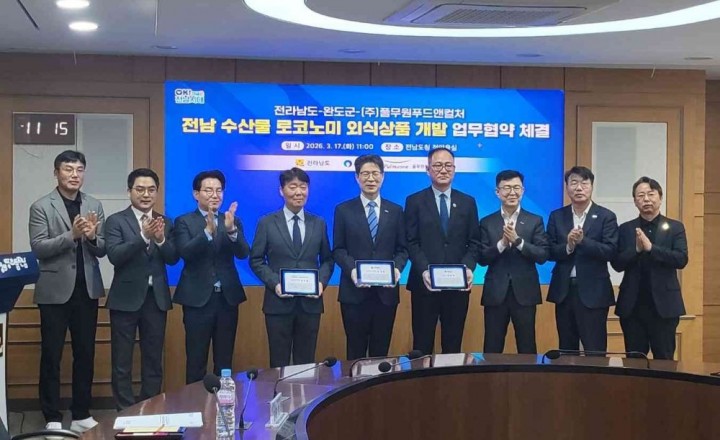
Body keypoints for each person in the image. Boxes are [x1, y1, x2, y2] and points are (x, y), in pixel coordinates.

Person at [28, 150, 105, 433]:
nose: (74, 175)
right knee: (52, 355)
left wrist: (93, 236)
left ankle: (81, 412)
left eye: (79, 170)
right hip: (54, 292)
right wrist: (72, 235)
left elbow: (102, 249)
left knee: (85, 354)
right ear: (56, 173)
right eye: (68, 169)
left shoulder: (94, 204)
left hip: (87, 290)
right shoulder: (41, 206)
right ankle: (51, 415)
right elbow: (39, 248)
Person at [105, 168, 179, 410]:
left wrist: (160, 239)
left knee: (153, 358)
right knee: (122, 360)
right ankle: (125, 410)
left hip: (156, 299)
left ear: (157, 192)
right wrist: (143, 237)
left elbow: (173, 258)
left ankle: (150, 406)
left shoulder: (165, 222)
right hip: (124, 299)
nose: (146, 194)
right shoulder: (116, 221)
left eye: (151, 190)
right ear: (129, 191)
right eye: (140, 189)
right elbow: (115, 255)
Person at [250, 167, 334, 368]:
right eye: (293, 186)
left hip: (310, 305)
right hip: (278, 304)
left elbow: (328, 260)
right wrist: (275, 283)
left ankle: (305, 391)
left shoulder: (318, 223)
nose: (299, 192)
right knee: (278, 363)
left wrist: (321, 283)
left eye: (303, 187)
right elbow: (256, 260)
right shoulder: (267, 223)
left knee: (306, 363)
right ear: (281, 190)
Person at [173, 170, 249, 383]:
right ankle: (194, 401)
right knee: (196, 359)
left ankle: (223, 402)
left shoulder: (231, 220)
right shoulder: (184, 221)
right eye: (208, 190)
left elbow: (243, 253)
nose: (215, 195)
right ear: (196, 194)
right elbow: (185, 252)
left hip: (227, 299)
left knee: (224, 360)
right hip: (197, 300)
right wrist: (206, 232)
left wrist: (232, 231)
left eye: (219, 190)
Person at [404, 147, 480, 355]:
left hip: (457, 287)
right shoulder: (414, 201)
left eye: (448, 165)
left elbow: (474, 242)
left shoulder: (467, 202)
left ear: (454, 169)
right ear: (427, 169)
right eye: (437, 165)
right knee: (422, 344)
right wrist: (424, 270)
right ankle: (420, 377)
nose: (443, 170)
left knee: (453, 344)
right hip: (424, 284)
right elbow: (411, 241)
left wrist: (467, 269)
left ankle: (451, 377)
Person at [333, 155, 408, 360]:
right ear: (357, 177)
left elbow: (403, 249)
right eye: (365, 174)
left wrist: (396, 269)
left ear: (383, 176)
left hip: (386, 295)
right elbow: (338, 249)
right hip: (353, 294)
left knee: (380, 352)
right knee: (355, 352)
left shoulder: (396, 211)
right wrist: (353, 270)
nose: (371, 178)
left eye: (375, 173)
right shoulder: (343, 210)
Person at [611, 177, 688, 360]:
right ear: (635, 201)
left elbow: (681, 259)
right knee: (634, 361)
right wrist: (637, 250)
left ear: (660, 197)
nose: (646, 199)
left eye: (651, 194)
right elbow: (617, 264)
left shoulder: (675, 227)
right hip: (633, 306)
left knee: (665, 359)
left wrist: (651, 248)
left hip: (664, 306)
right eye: (641, 195)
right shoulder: (626, 229)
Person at [547, 166, 618, 352]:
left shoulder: (606, 216)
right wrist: (569, 245)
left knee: (595, 349)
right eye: (574, 183)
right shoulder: (557, 216)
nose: (579, 188)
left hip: (594, 292)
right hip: (564, 291)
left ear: (591, 186)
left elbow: (610, 251)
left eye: (584, 183)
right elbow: (549, 251)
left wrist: (582, 241)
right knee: (566, 349)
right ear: (567, 187)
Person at [478, 170, 549, 354]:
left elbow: (542, 255)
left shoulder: (534, 220)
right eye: (507, 188)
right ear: (497, 192)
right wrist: (502, 244)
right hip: (495, 293)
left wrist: (518, 241)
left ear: (523, 190)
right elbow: (482, 258)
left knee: (527, 346)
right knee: (492, 346)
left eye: (516, 187)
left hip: (525, 293)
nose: (512, 192)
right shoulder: (487, 222)